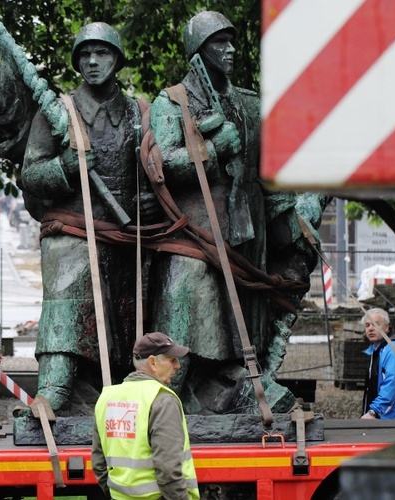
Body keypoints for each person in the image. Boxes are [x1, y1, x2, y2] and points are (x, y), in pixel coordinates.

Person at [145, 10, 327, 413]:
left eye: (231, 42)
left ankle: (239, 387)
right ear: (197, 49)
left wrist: (296, 214)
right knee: (190, 307)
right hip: (194, 233)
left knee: (245, 319)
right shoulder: (172, 101)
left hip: (248, 232)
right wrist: (213, 150)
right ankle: (174, 393)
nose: (229, 51)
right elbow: (162, 165)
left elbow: (270, 173)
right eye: (218, 43)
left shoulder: (249, 103)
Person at [20, 22, 159, 412]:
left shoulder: (139, 111)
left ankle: (162, 381)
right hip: (74, 231)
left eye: (101, 53)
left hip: (129, 233)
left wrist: (150, 200)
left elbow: (155, 168)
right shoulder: (57, 113)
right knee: (71, 268)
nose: (93, 61)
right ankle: (55, 386)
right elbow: (30, 174)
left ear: (116, 59)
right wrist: (64, 167)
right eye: (85, 54)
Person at [92, 332, 199, 499]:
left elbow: (99, 462)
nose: (177, 365)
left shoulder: (107, 397)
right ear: (153, 362)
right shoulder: (162, 399)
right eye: (172, 360)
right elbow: (168, 468)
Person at [361, 307, 395, 420]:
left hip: (391, 419)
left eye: (375, 324)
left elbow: (393, 382)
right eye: (367, 325)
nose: (370, 329)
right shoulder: (375, 350)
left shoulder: (393, 349)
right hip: (381, 417)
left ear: (386, 327)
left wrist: (374, 412)